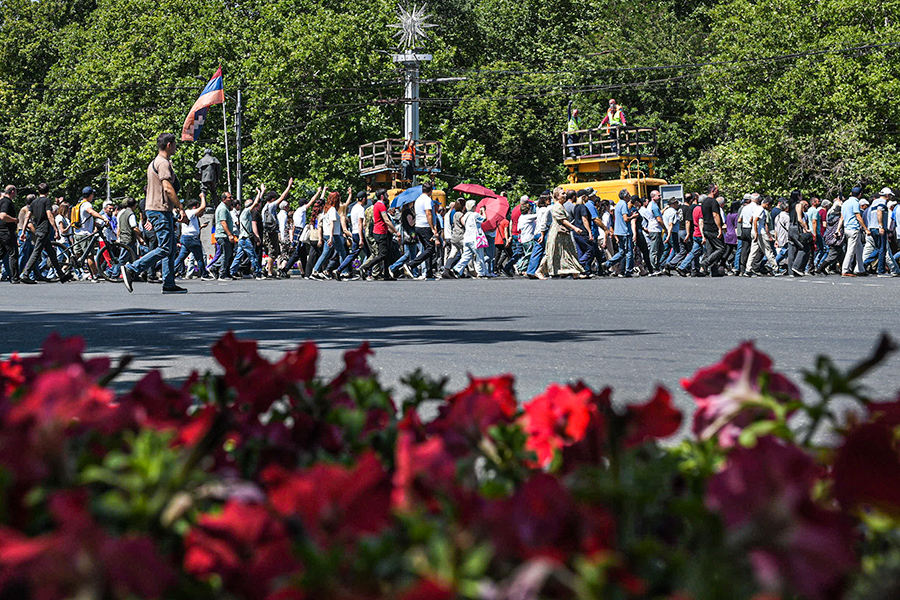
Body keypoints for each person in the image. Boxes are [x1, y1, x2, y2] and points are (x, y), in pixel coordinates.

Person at [122, 133, 186, 294]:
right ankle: (131, 269)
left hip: (158, 209)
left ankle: (169, 283)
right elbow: (167, 187)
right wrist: (180, 207)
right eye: (175, 144)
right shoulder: (163, 163)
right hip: (160, 209)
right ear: (169, 145)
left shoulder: (155, 162)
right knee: (165, 248)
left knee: (170, 247)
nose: (176, 147)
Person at [20, 183, 69, 284]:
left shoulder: (33, 202)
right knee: (36, 252)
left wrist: (23, 231)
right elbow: (49, 215)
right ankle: (25, 274)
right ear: (48, 192)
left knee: (51, 253)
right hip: (44, 230)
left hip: (38, 230)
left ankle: (61, 275)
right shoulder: (46, 201)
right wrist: (55, 229)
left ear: (38, 191)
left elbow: (27, 217)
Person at [537, 188, 588, 279]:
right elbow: (563, 220)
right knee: (551, 252)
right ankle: (539, 271)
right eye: (562, 194)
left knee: (569, 252)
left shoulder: (561, 206)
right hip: (557, 232)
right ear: (557, 196)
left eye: (564, 194)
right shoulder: (557, 207)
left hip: (563, 232)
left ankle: (575, 272)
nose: (564, 195)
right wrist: (575, 228)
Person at [71, 186, 108, 280]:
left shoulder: (79, 204)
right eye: (93, 194)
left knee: (78, 255)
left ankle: (67, 268)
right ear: (90, 195)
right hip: (85, 234)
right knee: (90, 256)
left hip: (77, 233)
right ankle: (95, 275)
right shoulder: (87, 204)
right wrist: (103, 218)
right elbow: (91, 212)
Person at [405, 181, 441, 279]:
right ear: (430, 191)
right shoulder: (427, 200)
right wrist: (433, 228)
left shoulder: (418, 199)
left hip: (418, 226)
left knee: (426, 248)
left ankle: (428, 272)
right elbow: (428, 213)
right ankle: (411, 264)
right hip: (425, 226)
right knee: (430, 249)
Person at [174, 193, 214, 280]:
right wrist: (202, 197)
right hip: (192, 238)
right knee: (199, 257)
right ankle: (204, 274)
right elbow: (203, 207)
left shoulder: (185, 213)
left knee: (181, 257)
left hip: (185, 237)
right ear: (195, 207)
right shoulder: (191, 212)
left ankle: (171, 272)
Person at [360, 191, 398, 280]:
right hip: (380, 232)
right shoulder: (381, 205)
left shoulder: (376, 205)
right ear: (382, 196)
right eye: (386, 195)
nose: (387, 196)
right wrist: (396, 231)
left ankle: (386, 275)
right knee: (382, 254)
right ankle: (365, 267)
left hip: (380, 231)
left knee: (387, 254)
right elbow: (386, 220)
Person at [231, 187, 266, 280]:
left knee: (238, 257)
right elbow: (255, 203)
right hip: (245, 239)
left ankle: (231, 271)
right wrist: (259, 192)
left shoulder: (244, 213)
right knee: (253, 256)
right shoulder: (246, 212)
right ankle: (258, 273)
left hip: (242, 238)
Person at [336, 191, 368, 280]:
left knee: (353, 254)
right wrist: (361, 238)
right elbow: (360, 224)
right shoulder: (361, 209)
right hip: (359, 233)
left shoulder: (354, 208)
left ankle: (339, 269)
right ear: (364, 199)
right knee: (370, 254)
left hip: (354, 233)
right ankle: (365, 270)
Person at [605, 190, 637, 277]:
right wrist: (633, 216)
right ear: (625, 196)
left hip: (618, 231)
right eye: (628, 195)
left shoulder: (618, 204)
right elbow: (625, 219)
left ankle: (608, 263)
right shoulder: (624, 205)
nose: (630, 197)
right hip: (625, 231)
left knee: (622, 251)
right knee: (629, 252)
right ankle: (628, 271)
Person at [454, 200, 487, 278]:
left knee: (466, 256)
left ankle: (457, 268)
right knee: (479, 255)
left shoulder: (465, 215)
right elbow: (484, 219)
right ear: (473, 207)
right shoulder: (475, 215)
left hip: (467, 238)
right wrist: (483, 211)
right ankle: (481, 272)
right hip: (475, 238)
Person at [841, 187, 869, 277]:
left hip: (847, 228)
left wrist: (838, 229)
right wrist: (866, 228)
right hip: (853, 228)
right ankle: (845, 270)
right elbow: (858, 216)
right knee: (851, 250)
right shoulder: (855, 203)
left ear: (851, 193)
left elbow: (842, 217)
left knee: (859, 249)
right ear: (860, 194)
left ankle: (861, 269)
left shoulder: (845, 203)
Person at [210, 192, 237, 280]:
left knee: (227, 254)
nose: (231, 199)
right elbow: (223, 222)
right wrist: (229, 234)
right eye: (229, 197)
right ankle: (221, 274)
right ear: (224, 199)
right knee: (225, 254)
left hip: (223, 235)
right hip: (222, 235)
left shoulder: (225, 208)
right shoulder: (223, 209)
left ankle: (221, 270)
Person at [0, 185, 19, 284]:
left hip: (2, 231)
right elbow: (3, 216)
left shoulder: (2, 201)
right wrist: (14, 220)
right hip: (6, 231)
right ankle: (15, 277)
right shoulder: (6, 202)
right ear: (12, 192)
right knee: (13, 253)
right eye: (15, 192)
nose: (16, 194)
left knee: (2, 253)